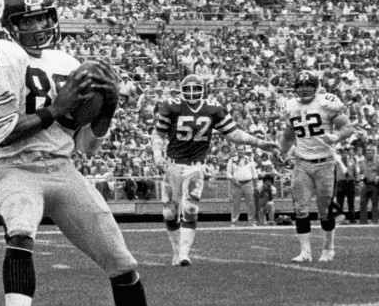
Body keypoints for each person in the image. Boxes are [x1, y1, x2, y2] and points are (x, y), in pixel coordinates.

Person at [0, 0, 182, 306]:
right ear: (10, 24)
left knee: (122, 263)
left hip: (63, 168)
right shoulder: (0, 54)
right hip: (16, 167)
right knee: (20, 235)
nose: (38, 25)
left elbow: (87, 146)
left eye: (42, 16)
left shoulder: (68, 62)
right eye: (28, 19)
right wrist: (58, 107)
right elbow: (1, 134)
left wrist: (108, 110)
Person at [152, 74, 277, 266]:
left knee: (191, 207)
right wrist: (158, 155)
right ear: (181, 90)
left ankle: (184, 253)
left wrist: (259, 143)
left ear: (203, 90)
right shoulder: (171, 106)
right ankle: (176, 251)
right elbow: (158, 134)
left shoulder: (213, 108)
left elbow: (234, 133)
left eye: (196, 89)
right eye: (188, 89)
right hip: (172, 165)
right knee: (170, 212)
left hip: (195, 165)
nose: (192, 93)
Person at [279, 70, 356, 262]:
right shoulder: (290, 106)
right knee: (300, 208)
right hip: (302, 162)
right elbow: (288, 135)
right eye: (301, 86)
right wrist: (280, 151)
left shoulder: (326, 103)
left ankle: (328, 248)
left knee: (324, 209)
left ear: (316, 87)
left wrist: (335, 136)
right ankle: (305, 252)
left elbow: (348, 127)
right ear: (295, 88)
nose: (304, 89)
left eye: (308, 85)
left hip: (325, 162)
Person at [226, 149, 259, 225]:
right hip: (236, 184)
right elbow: (228, 173)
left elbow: (254, 172)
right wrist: (235, 182)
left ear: (244, 151)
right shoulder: (232, 160)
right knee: (235, 203)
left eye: (242, 150)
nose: (240, 152)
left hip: (248, 183)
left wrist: (255, 184)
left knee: (250, 203)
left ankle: (252, 221)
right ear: (237, 151)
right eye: (239, 150)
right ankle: (234, 221)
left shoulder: (250, 159)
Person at [359, 144, 379, 224]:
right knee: (362, 203)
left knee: (374, 203)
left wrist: (378, 177)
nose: (368, 154)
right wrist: (361, 179)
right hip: (365, 185)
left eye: (370, 153)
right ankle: (363, 221)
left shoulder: (377, 162)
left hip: (374, 185)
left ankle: (374, 221)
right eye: (367, 153)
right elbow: (360, 173)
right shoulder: (362, 162)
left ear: (373, 153)